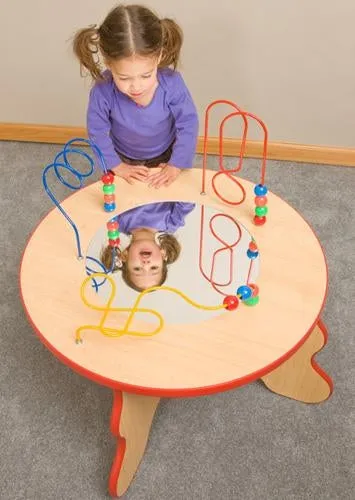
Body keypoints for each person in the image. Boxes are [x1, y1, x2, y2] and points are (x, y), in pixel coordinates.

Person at [73, 4, 199, 189]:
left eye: (146, 75)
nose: (136, 87)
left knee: (171, 198)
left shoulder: (172, 84)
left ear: (158, 57)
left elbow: (188, 123)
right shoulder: (103, 90)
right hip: (123, 158)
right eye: (124, 78)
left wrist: (176, 164)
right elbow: (97, 131)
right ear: (109, 63)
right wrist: (116, 166)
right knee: (123, 205)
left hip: (167, 155)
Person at [101, 201, 195, 291]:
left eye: (137, 269)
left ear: (124, 256)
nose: (146, 264)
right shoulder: (171, 221)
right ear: (163, 254)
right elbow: (189, 197)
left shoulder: (115, 221)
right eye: (154, 268)